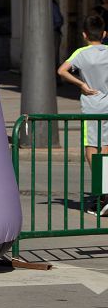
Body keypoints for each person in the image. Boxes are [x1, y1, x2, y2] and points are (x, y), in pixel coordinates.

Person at [57, 14, 108, 216]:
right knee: (105, 146)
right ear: (104, 34)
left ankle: (102, 193)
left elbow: (62, 71)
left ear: (84, 34)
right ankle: (105, 190)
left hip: (92, 105)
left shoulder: (81, 53)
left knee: (91, 147)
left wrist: (81, 84)